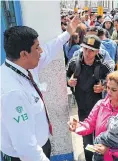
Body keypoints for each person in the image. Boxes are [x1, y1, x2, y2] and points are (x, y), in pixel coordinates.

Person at [1, 16, 80, 161]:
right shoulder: (12, 92)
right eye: (37, 47)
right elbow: (25, 147)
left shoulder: (26, 66)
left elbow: (50, 49)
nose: (41, 50)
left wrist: (68, 33)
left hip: (42, 144)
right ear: (24, 54)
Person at [68, 68, 118, 161]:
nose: (109, 92)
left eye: (114, 89)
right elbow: (89, 124)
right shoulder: (101, 104)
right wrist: (77, 127)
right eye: (107, 87)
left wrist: (110, 150)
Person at [66, 35, 114, 161]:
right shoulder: (73, 63)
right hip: (82, 109)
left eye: (92, 50)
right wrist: (68, 81)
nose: (88, 53)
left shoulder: (104, 66)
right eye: (85, 49)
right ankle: (89, 158)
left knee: (100, 138)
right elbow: (65, 77)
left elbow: (114, 83)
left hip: (101, 112)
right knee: (86, 139)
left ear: (98, 51)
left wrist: (103, 86)